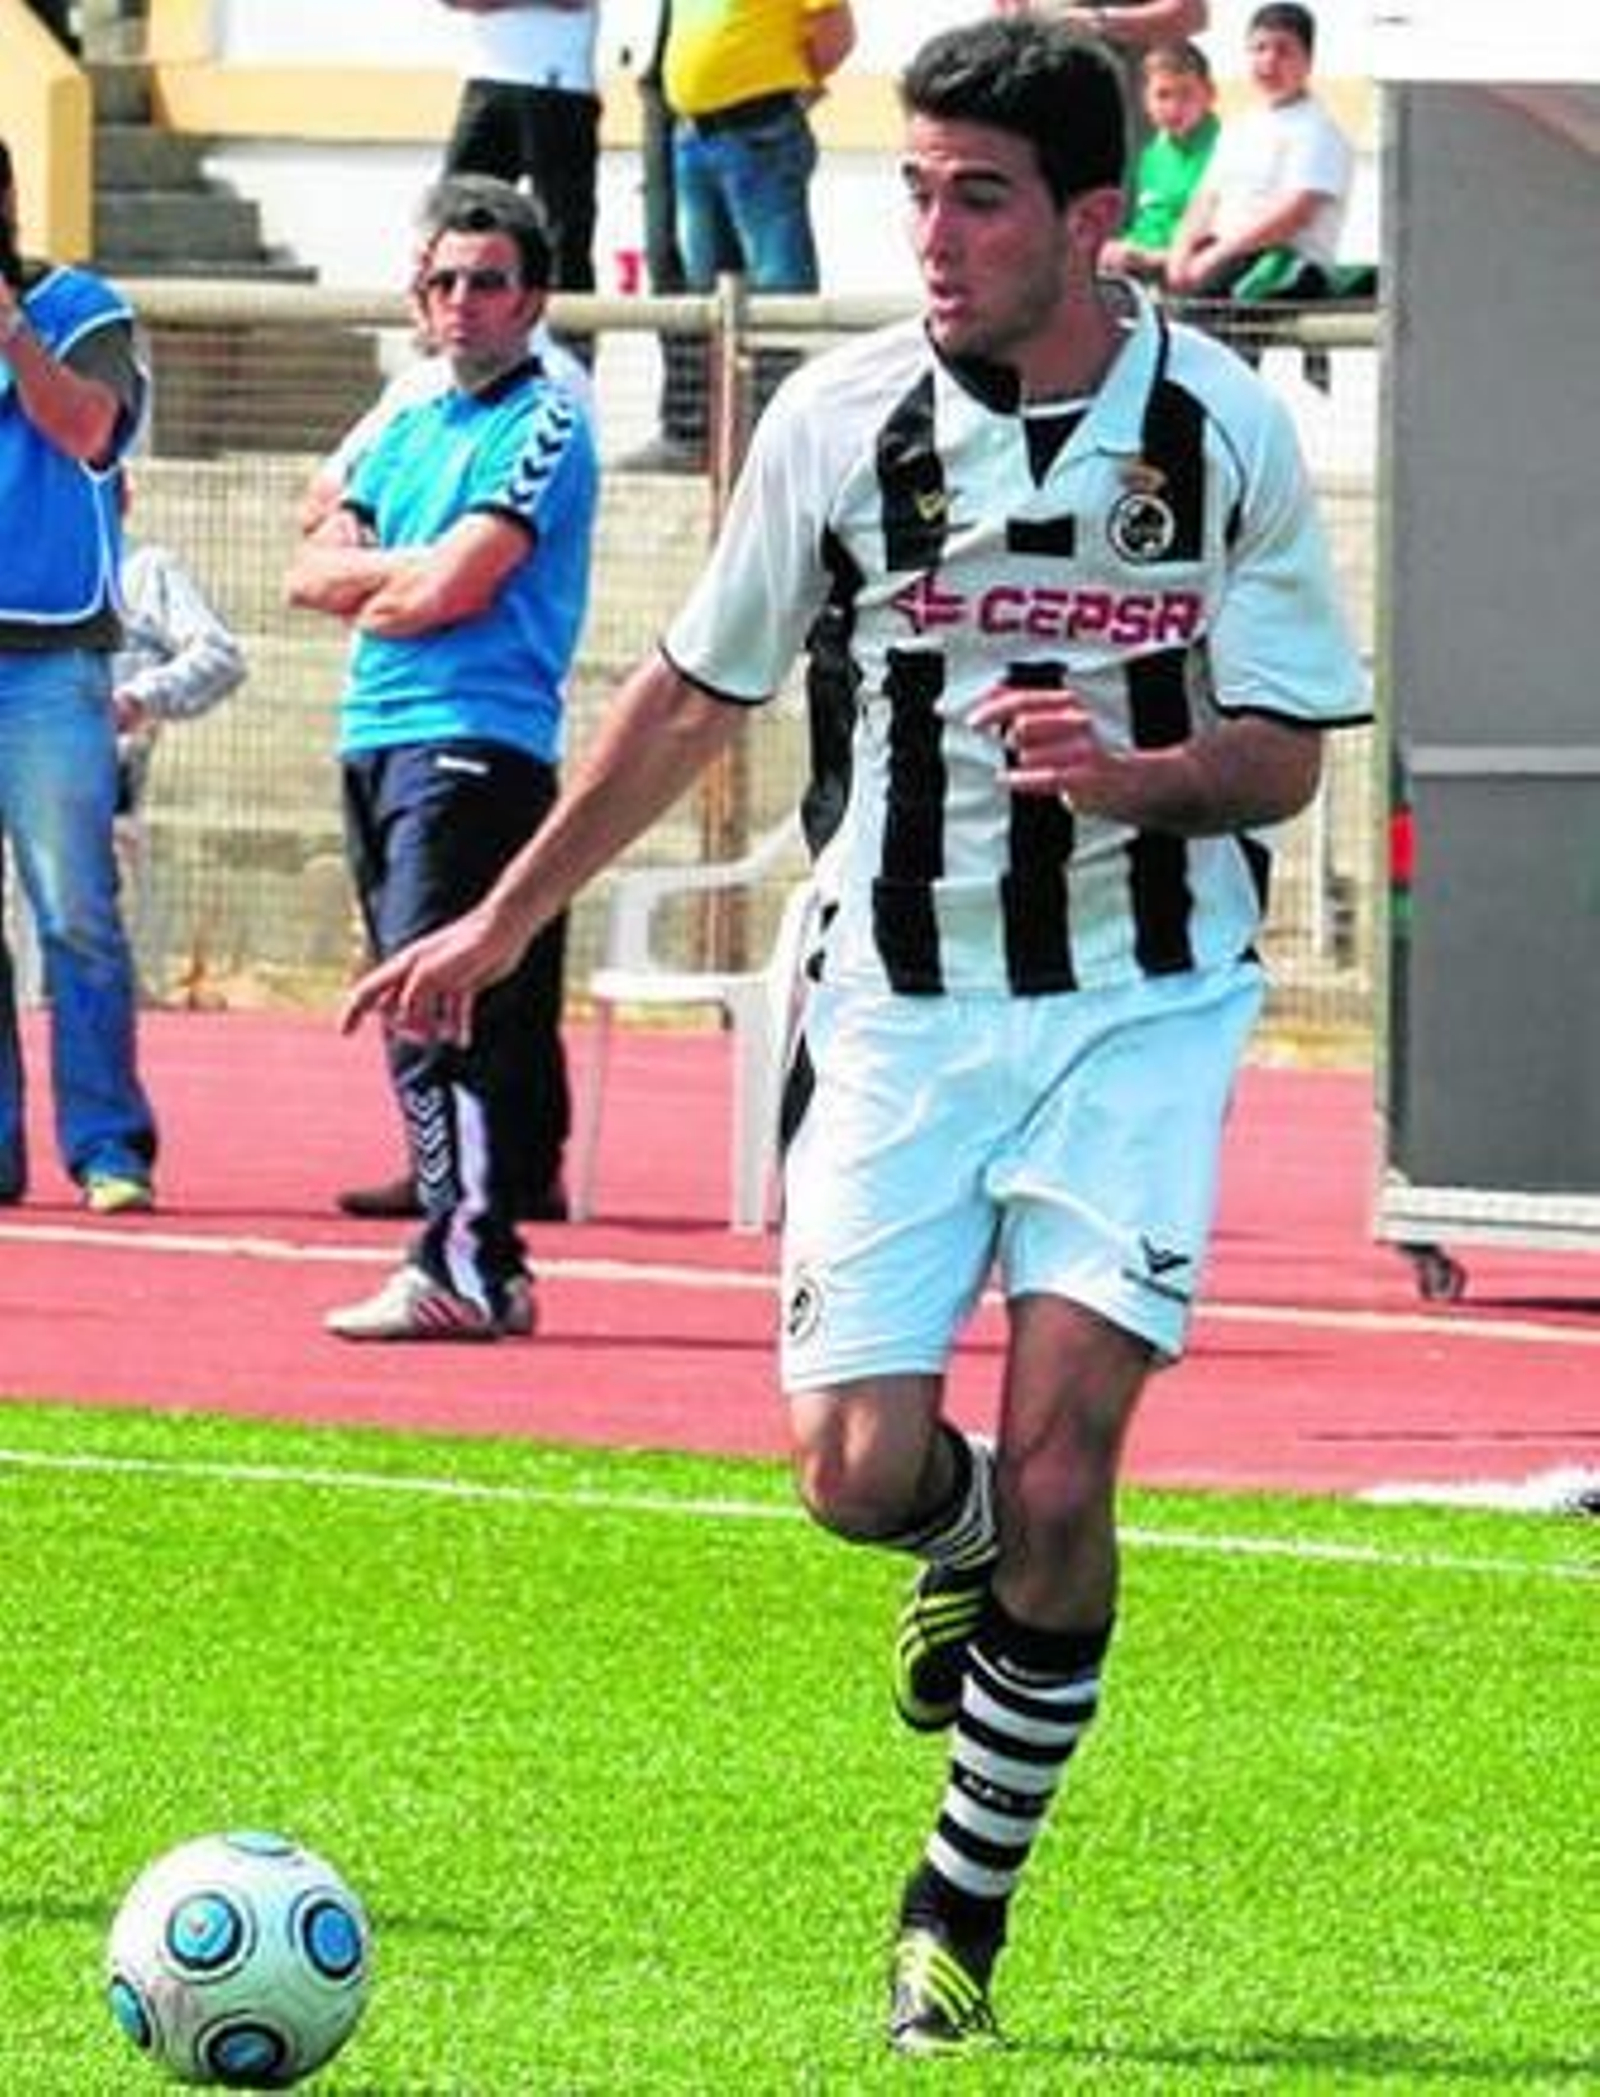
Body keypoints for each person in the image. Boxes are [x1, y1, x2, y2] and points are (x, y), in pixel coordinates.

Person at [341, 16, 1367, 2048]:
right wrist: (497, 913)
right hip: (890, 1005)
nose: (929, 228)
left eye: (976, 194)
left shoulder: (1218, 428)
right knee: (849, 1465)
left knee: (1074, 1460)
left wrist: (1137, 775)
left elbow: (1280, 758)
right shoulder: (833, 422)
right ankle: (959, 1539)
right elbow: (687, 695)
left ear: (1091, 219)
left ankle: (950, 1919)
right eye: (910, 186)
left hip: (1138, 1007)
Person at [287, 174, 598, 1340]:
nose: (462, 303)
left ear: (532, 301)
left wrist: (387, 575)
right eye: (444, 282)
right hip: (375, 732)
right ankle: (482, 1254)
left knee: (437, 1006)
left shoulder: (545, 419)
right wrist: (393, 577)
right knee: (424, 1006)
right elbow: (307, 565)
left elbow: (458, 587)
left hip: (476, 738)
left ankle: (460, 1258)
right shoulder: (412, 415)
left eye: (488, 283)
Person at [0, 135, 159, 1215]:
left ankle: (108, 1147)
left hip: (51, 659)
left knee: (75, 914)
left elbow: (89, 429)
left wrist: (11, 332)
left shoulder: (83, 308)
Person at [663, 0, 856, 436]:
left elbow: (835, 32)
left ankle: (779, 435)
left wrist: (781, 93)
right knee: (709, 294)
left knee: (777, 294)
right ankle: (727, 438)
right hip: (695, 133)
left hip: (758, 129)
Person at [111, 474, 248, 948]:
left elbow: (220, 657)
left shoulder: (144, 571)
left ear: (122, 498)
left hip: (102, 795)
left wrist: (138, 697)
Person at [438, 0, 601, 357]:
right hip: (484, 83)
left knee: (564, 244)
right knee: (455, 229)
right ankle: (454, 361)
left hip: (560, 86)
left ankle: (570, 371)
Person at [1166, 2, 1352, 301]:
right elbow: (1205, 199)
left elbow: (1294, 216)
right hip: (1226, 257)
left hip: (1285, 262)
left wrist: (1212, 257)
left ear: (1308, 60)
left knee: (1211, 301)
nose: (1269, 60)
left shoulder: (1318, 130)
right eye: (1259, 48)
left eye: (1283, 50)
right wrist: (1180, 252)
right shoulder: (1239, 128)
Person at [614, 0, 706, 475]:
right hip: (659, 78)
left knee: (741, 267)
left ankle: (754, 425)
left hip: (739, 94)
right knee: (666, 253)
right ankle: (687, 430)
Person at [993, 0, 1209, 153]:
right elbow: (1006, 16)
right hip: (1044, 116)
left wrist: (1100, 21)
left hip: (1125, 121)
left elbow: (1191, 13)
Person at [1099, 40, 1220, 284]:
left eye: (1186, 93)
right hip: (1140, 266)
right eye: (1162, 95)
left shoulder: (1224, 150)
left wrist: (1149, 258)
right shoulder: (1151, 155)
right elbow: (1148, 222)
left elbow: (1220, 238)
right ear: (1145, 100)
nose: (1174, 107)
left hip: (1190, 272)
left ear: (1210, 94)